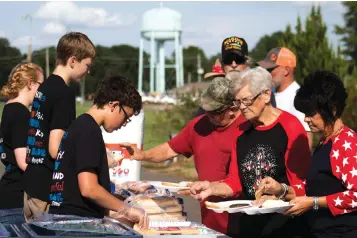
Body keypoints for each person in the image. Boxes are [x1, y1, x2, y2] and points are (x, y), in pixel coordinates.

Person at [189, 67, 311, 238]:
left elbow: (302, 186)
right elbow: (235, 182)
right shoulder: (241, 130)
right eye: (238, 102)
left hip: (283, 227)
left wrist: (279, 194)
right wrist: (211, 187)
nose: (242, 108)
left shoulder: (290, 127)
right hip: (248, 226)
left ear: (266, 95)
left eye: (246, 101)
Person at [121, 73, 246, 235]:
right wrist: (142, 155)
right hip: (210, 217)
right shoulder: (199, 125)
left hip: (242, 218)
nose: (208, 115)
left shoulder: (246, 127)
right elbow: (169, 149)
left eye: (214, 111)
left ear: (232, 108)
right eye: (205, 109)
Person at [261, 70, 357, 238]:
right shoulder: (324, 142)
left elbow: (355, 194)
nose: (305, 119)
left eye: (311, 113)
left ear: (333, 110)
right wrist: (280, 191)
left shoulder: (347, 144)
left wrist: (314, 203)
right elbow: (312, 188)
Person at [48, 75, 148, 229]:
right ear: (114, 105)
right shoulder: (88, 131)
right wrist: (127, 210)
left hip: (68, 220)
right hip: (76, 225)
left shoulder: (80, 126)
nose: (124, 124)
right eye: (126, 117)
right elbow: (89, 189)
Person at [23, 32, 96, 222]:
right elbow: (56, 149)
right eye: (87, 65)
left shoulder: (45, 87)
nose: (88, 71)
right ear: (73, 60)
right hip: (47, 189)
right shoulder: (63, 93)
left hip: (31, 185)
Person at [0, 63, 44, 224]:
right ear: (30, 83)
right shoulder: (20, 113)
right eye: (41, 85)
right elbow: (23, 161)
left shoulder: (9, 108)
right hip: (15, 198)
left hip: (8, 193)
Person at [257, 47, 313, 149]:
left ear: (286, 70)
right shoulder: (267, 93)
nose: (267, 73)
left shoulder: (299, 97)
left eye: (270, 69)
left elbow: (306, 140)